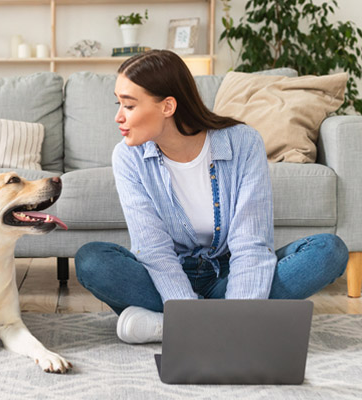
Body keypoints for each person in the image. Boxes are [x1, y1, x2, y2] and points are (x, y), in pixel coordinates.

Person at [74, 49, 349, 344]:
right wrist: (196, 312)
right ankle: (220, 323)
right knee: (92, 260)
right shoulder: (128, 156)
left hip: (229, 275)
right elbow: (153, 251)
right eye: (119, 104)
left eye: (128, 106)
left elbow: (251, 244)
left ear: (167, 106)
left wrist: (238, 310)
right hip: (166, 275)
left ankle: (171, 326)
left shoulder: (243, 142)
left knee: (328, 251)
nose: (118, 117)